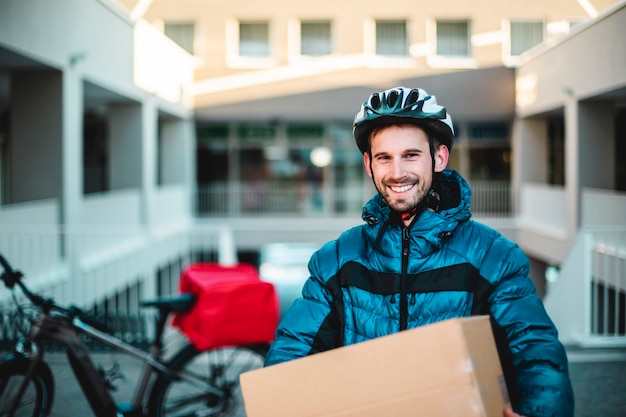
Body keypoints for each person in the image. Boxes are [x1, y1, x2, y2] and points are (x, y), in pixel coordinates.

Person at [264, 87, 574, 417]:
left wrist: (540, 411)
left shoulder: (493, 257)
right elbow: (291, 350)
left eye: (411, 155)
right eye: (384, 157)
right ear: (369, 164)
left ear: (439, 157)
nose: (397, 173)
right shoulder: (337, 260)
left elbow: (535, 350)